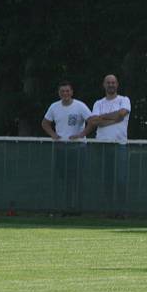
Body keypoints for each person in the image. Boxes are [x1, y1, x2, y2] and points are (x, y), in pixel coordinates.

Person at [72, 74, 132, 215]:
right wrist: (113, 119)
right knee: (107, 179)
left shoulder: (124, 100)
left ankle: (121, 210)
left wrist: (103, 117)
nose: (111, 85)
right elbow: (93, 121)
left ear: (117, 84)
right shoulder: (98, 103)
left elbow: (122, 113)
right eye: (108, 82)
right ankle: (109, 210)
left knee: (121, 179)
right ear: (104, 85)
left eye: (113, 82)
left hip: (119, 144)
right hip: (102, 145)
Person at [41, 81, 92, 212]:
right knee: (63, 178)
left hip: (78, 147)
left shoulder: (80, 106)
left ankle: (78, 207)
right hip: (61, 147)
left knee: (78, 178)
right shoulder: (54, 107)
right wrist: (53, 135)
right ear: (59, 93)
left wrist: (81, 134)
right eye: (62, 91)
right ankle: (65, 207)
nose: (65, 94)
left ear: (72, 92)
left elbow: (92, 121)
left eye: (67, 91)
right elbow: (45, 123)